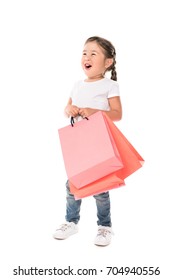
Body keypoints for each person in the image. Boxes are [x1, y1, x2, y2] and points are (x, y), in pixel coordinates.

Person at [53, 36, 122, 246]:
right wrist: (69, 109)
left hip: (99, 142)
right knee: (73, 183)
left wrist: (94, 112)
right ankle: (71, 222)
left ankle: (104, 227)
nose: (87, 57)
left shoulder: (109, 85)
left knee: (100, 187)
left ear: (107, 62)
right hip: (78, 144)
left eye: (94, 53)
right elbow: (67, 109)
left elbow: (117, 114)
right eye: (84, 52)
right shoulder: (77, 85)